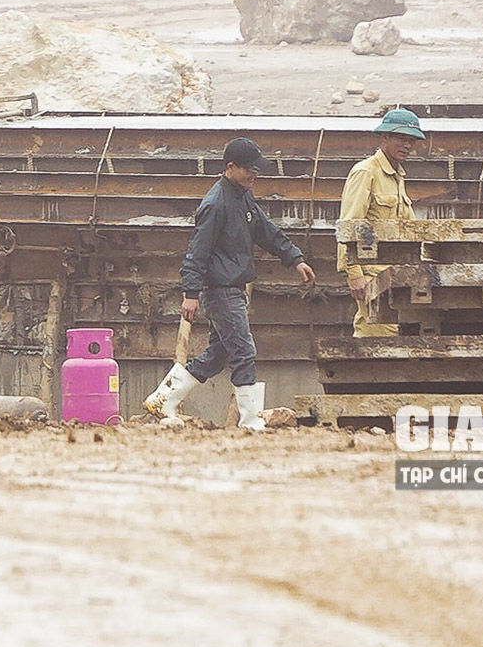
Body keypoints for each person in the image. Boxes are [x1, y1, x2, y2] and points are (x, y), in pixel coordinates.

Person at [143, 137, 315, 429]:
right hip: (221, 291)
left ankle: (163, 398)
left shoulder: (241, 194)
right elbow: (197, 250)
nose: (254, 175)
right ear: (230, 167)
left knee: (218, 354)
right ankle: (250, 421)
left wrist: (294, 258)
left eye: (256, 170)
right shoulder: (215, 204)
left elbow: (265, 230)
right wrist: (191, 293)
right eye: (249, 170)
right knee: (244, 352)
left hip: (232, 289)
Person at [336, 108, 426, 338]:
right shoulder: (366, 172)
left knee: (386, 335)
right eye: (400, 138)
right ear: (384, 137)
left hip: (394, 275)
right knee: (376, 337)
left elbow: (408, 229)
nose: (407, 145)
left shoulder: (397, 176)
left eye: (411, 141)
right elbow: (349, 225)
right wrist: (354, 274)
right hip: (372, 275)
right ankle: (361, 374)